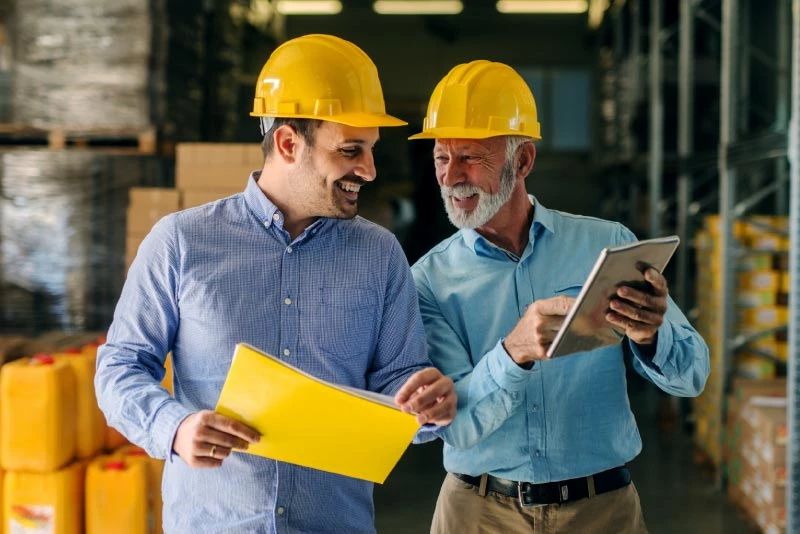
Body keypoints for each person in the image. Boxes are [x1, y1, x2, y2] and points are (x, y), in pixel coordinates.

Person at [95, 34, 456, 534]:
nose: (369, 171)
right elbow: (118, 367)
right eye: (351, 150)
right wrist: (173, 427)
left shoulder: (379, 255)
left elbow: (400, 383)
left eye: (372, 150)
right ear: (288, 143)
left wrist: (425, 403)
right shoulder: (181, 242)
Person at [408, 60, 710, 533]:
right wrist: (515, 353)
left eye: (470, 157)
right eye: (441, 159)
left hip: (602, 510)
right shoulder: (428, 280)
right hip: (478, 513)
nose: (450, 177)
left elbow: (692, 376)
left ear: (523, 160)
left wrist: (652, 335)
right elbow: (458, 425)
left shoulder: (605, 244)